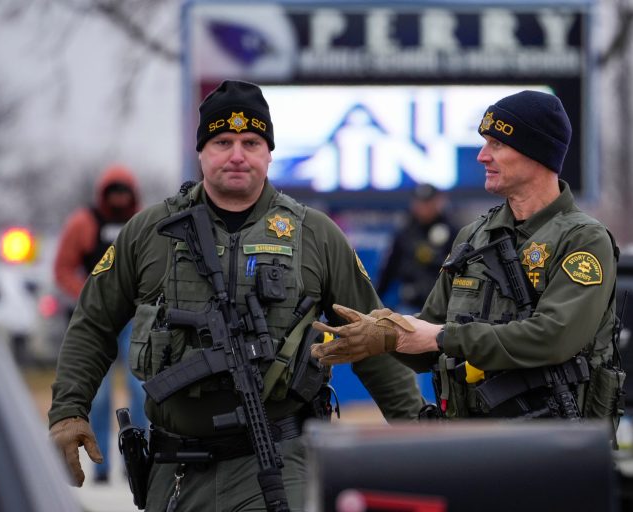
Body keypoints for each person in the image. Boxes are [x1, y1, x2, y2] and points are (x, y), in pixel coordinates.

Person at [48, 80, 423, 510]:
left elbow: (369, 340)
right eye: (222, 141)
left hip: (278, 463)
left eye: (251, 141)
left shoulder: (315, 235)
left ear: (269, 152)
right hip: (175, 470)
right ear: (202, 151)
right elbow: (93, 324)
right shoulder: (148, 232)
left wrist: (421, 437)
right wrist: (68, 410)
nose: (237, 154)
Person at [312, 90, 623, 428]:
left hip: (549, 448)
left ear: (536, 154)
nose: (482, 156)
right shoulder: (474, 236)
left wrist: (441, 336)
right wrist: (389, 335)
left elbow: (553, 337)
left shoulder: (583, 239)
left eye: (497, 145)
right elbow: (432, 333)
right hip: (465, 443)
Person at [53, 164, 147, 483]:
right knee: (101, 395)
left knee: (141, 388)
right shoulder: (84, 222)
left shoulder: (141, 222)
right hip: (97, 321)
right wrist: (90, 298)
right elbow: (63, 268)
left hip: (133, 319)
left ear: (133, 195)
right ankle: (102, 466)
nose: (120, 199)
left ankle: (139, 458)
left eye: (125, 193)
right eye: (114, 193)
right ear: (104, 195)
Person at [376, 183, 459, 314]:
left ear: (439, 202)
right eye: (420, 202)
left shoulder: (453, 231)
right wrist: (375, 298)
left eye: (428, 202)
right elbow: (389, 269)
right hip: (410, 302)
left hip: (443, 305)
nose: (424, 207)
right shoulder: (405, 232)